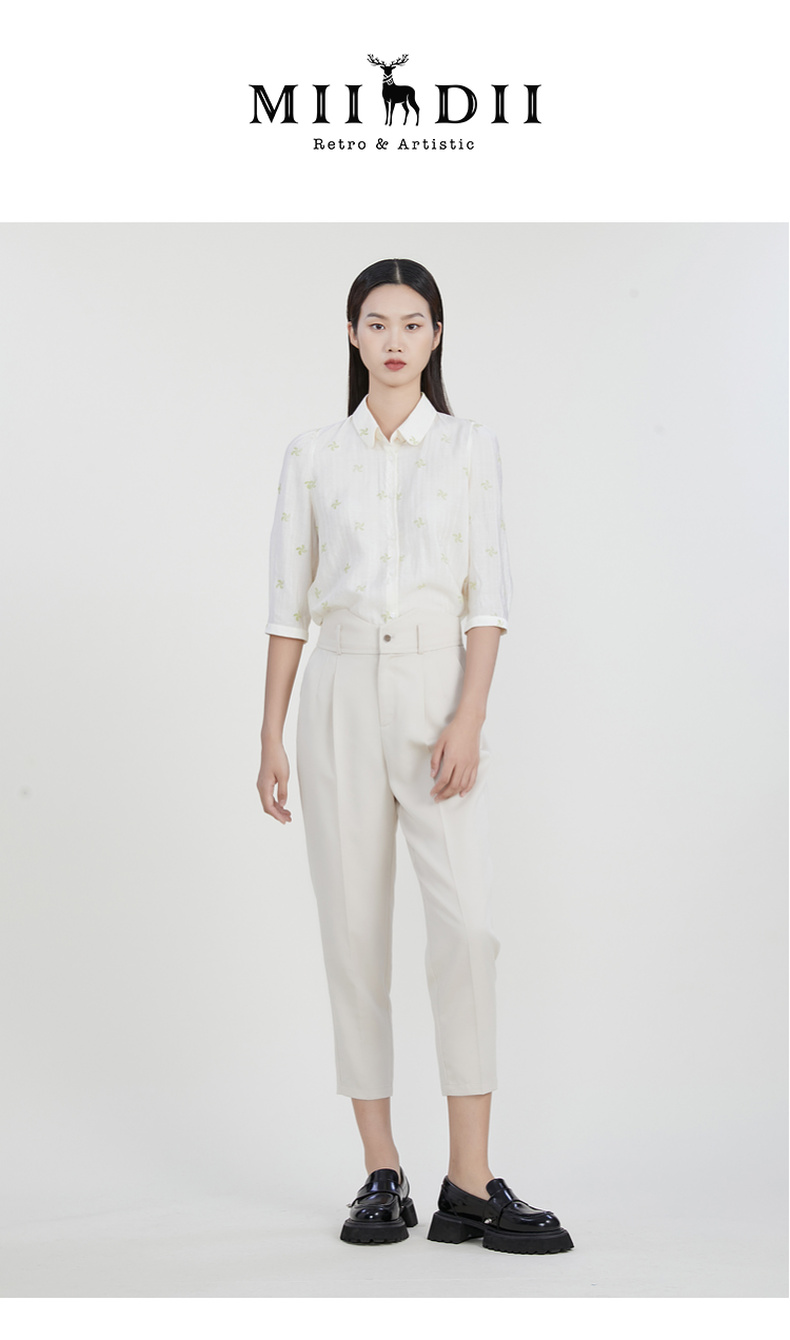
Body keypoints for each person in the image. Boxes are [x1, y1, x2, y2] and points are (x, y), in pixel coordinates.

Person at [256, 258, 573, 1256]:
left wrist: (468, 714)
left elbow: (489, 596)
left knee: (467, 931)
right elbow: (287, 606)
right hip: (339, 693)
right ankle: (380, 1169)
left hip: (439, 692)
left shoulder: (469, 447)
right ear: (352, 335)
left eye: (413, 322)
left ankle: (470, 1181)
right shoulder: (313, 454)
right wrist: (269, 732)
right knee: (353, 934)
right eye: (376, 322)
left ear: (437, 336)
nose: (394, 339)